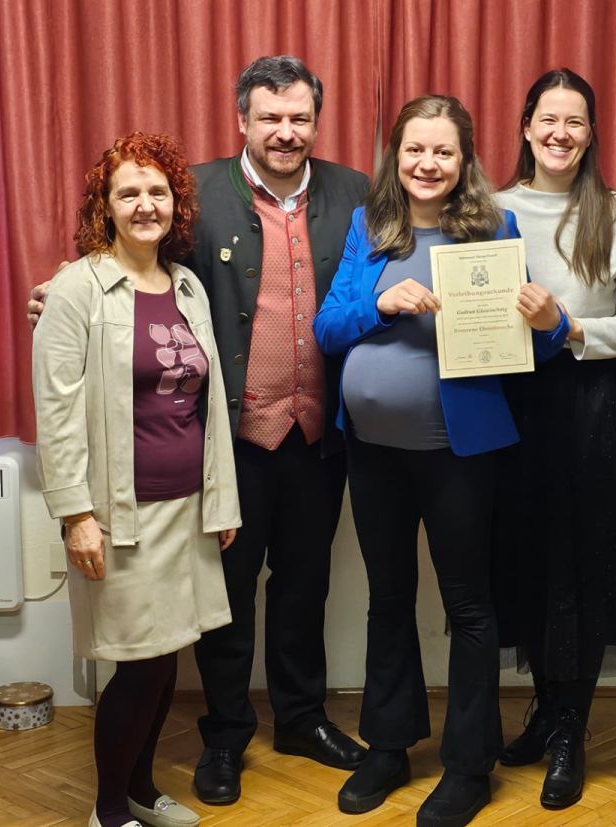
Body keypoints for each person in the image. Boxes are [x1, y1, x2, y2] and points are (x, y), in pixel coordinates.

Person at [29, 56, 370, 806]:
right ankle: (225, 734)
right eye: (270, 117)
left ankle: (302, 718)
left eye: (300, 117)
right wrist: (61, 286)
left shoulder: (354, 192)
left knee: (306, 584)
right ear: (242, 120)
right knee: (227, 596)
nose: (286, 131)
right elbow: (126, 260)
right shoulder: (197, 192)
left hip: (318, 437)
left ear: (317, 121)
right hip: (230, 441)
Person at [313, 95, 568, 827]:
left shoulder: (494, 229)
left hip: (459, 452)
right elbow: (327, 329)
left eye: (443, 152)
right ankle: (389, 747)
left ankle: (468, 766)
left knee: (469, 606)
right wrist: (381, 303)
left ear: (465, 161)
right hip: (373, 453)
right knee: (388, 596)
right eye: (415, 150)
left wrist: (549, 322)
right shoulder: (368, 226)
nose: (427, 164)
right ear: (396, 155)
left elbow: (531, 345)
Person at [32, 132, 240, 827]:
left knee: (167, 653)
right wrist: (75, 515)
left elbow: (210, 404)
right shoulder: (77, 289)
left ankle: (144, 793)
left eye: (158, 191)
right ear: (106, 205)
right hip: (121, 512)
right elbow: (57, 411)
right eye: (129, 193)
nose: (146, 204)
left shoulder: (187, 285)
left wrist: (222, 500)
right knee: (139, 662)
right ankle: (108, 809)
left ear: (176, 202)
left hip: (188, 506)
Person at [491, 68, 616, 809]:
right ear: (527, 127)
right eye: (548, 119)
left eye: (575, 121)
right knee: (525, 560)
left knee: (583, 568)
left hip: (588, 403)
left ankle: (569, 731)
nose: (560, 133)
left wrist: (568, 326)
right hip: (510, 403)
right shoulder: (490, 208)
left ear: (590, 134)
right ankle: (544, 710)